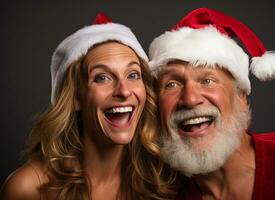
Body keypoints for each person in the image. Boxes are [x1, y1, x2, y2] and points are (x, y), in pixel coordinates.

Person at [0, 13, 176, 200]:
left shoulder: (162, 181)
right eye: (102, 78)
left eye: (132, 75)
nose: (124, 91)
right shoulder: (27, 189)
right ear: (76, 97)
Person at [148, 8, 275, 200]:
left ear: (241, 97)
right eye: (172, 84)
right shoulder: (161, 194)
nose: (190, 99)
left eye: (207, 80)